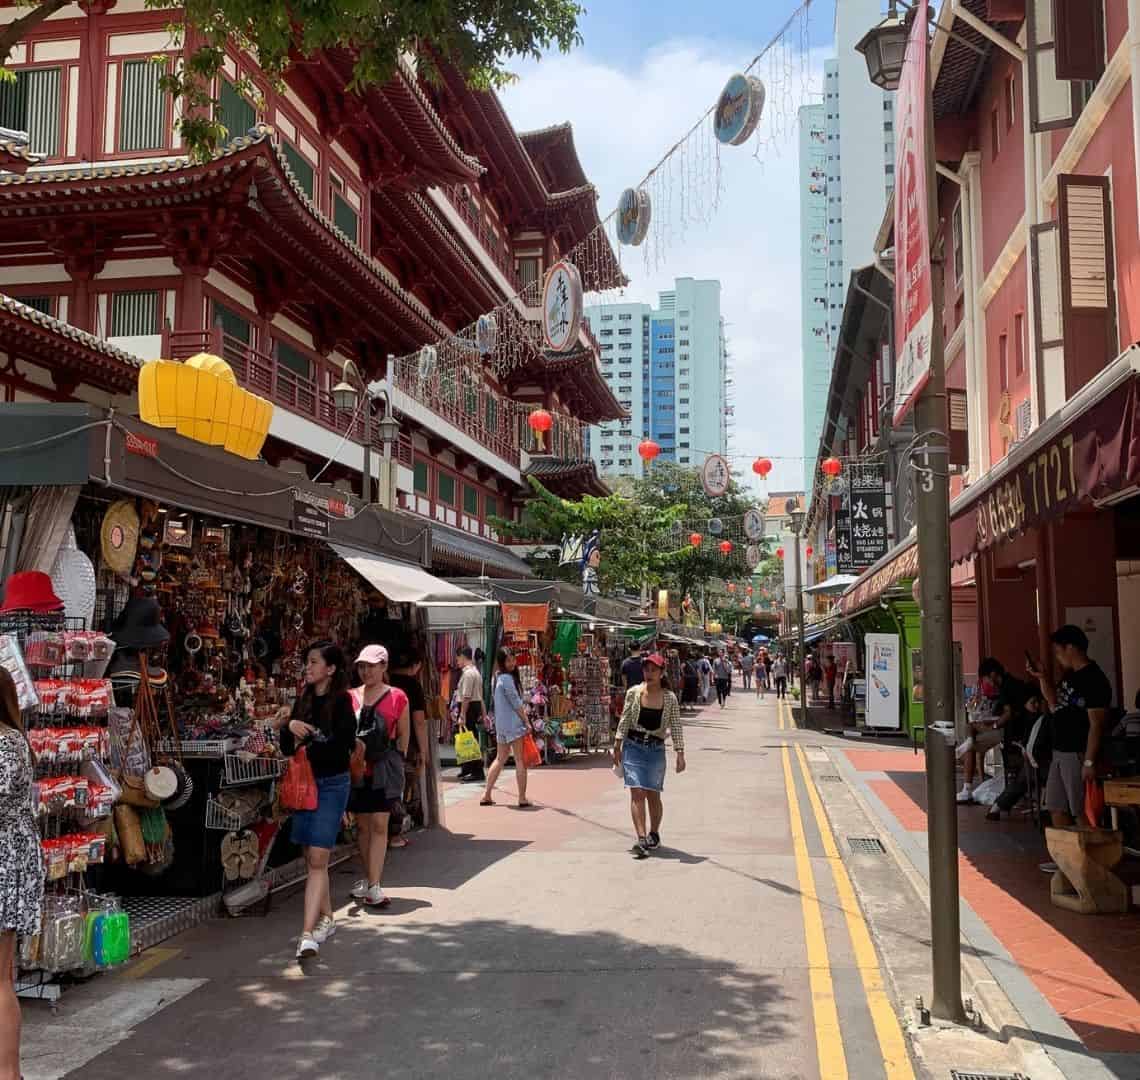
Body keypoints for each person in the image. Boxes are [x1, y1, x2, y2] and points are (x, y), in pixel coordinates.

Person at [276, 641, 356, 959]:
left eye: (313, 662)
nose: (307, 668)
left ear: (331, 669)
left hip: (333, 785)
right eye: (306, 662)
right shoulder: (305, 700)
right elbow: (286, 748)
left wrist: (305, 739)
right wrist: (289, 727)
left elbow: (343, 748)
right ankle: (328, 919)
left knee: (319, 858)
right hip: (306, 784)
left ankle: (307, 934)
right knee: (311, 856)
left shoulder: (343, 703)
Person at [1028, 624, 1112, 831]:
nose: (1057, 656)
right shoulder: (1069, 676)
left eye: (1059, 651)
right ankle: (1067, 858)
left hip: (1078, 752)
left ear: (1071, 648)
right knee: (1057, 808)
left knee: (1081, 810)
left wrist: (1090, 761)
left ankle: (1089, 858)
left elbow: (1096, 724)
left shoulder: (1095, 679)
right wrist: (1042, 678)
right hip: (1060, 751)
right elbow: (1054, 703)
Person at [1, 668, 43, 1080]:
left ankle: (8, 1072)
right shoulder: (16, 742)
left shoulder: (5, 745)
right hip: (13, 863)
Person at [347, 645, 410, 908]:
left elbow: (404, 736)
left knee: (380, 825)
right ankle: (370, 879)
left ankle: (374, 885)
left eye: (372, 666)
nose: (366, 671)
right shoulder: (349, 696)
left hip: (384, 768)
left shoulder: (398, 697)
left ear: (384, 667)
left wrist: (399, 762)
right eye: (362, 666)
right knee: (362, 826)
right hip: (357, 768)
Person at [613, 652, 685, 858]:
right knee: (637, 792)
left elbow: (676, 726)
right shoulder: (634, 693)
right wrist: (617, 744)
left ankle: (654, 833)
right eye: (646, 669)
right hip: (633, 746)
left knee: (653, 794)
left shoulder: (669, 698)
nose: (649, 673)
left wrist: (680, 752)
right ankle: (641, 838)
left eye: (654, 670)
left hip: (655, 749)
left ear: (662, 673)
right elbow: (625, 718)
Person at [957, 658, 1030, 803]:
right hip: (1012, 728)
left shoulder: (1006, 686)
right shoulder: (1012, 683)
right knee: (970, 726)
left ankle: (967, 790)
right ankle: (970, 741)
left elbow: (1009, 714)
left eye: (986, 679)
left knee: (970, 745)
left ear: (992, 674)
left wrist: (994, 725)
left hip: (1010, 732)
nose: (988, 683)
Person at [481, 648, 533, 808]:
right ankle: (522, 798)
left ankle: (486, 794)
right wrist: (526, 721)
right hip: (513, 724)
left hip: (501, 725)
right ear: (502, 662)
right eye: (508, 661)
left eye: (513, 659)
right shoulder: (507, 679)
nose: (512, 663)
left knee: (500, 758)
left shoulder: (496, 678)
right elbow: (516, 703)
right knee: (519, 760)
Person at [388, 645, 429, 845]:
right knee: (401, 787)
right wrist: (423, 750)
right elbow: (419, 721)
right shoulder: (412, 686)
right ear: (416, 665)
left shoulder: (383, 681)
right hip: (406, 744)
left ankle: (381, 832)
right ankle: (394, 834)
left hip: (381, 744)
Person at [987, 692, 1050, 821]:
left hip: (1035, 758)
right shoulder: (1022, 720)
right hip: (1020, 756)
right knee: (1026, 774)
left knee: (1026, 775)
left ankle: (999, 805)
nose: (1037, 706)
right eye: (1033, 703)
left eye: (1038, 702)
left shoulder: (1040, 718)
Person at [455, 646, 486, 782]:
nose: (457, 661)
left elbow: (466, 696)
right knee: (467, 736)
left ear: (462, 656)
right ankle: (467, 768)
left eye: (458, 658)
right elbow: (480, 696)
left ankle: (477, 771)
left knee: (470, 739)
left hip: (468, 706)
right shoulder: (475, 672)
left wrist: (462, 714)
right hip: (474, 705)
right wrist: (484, 713)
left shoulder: (468, 673)